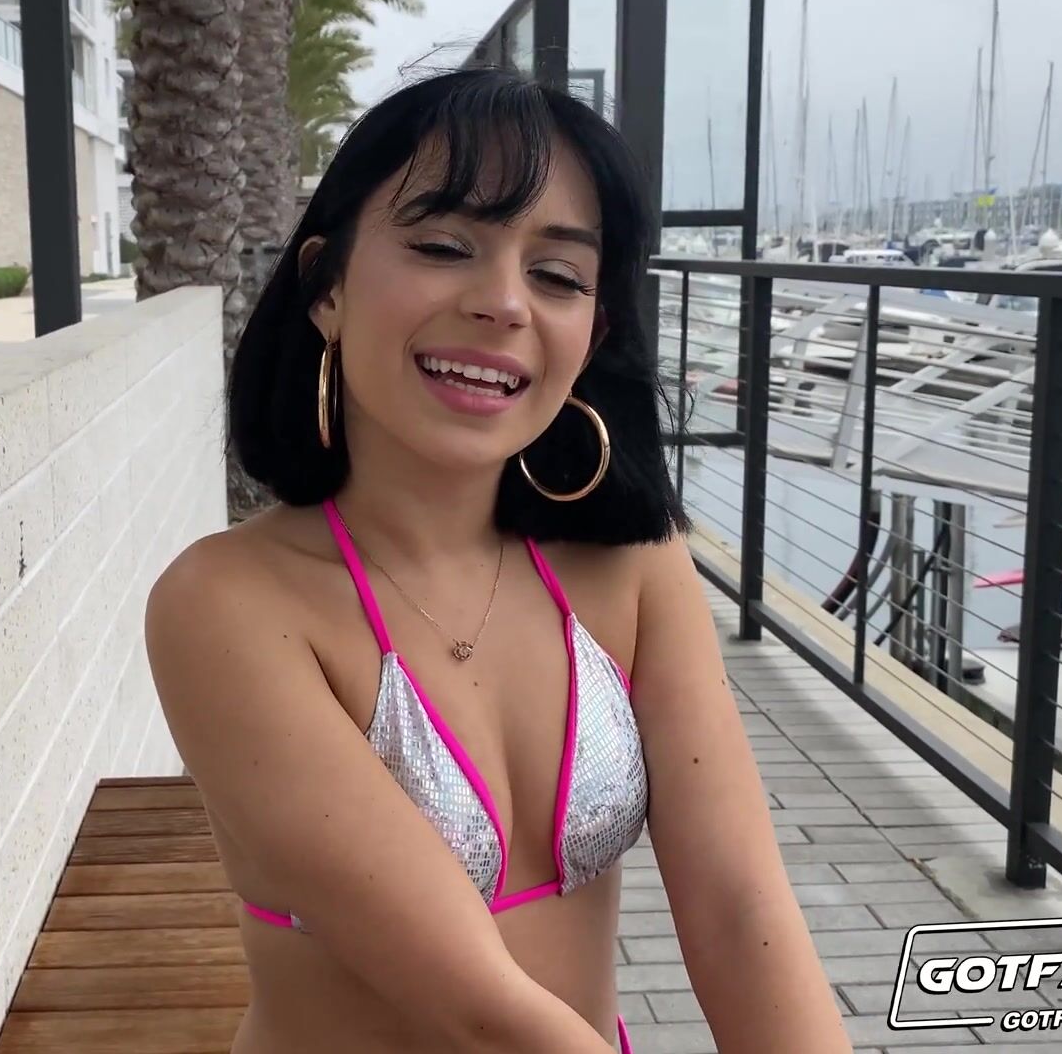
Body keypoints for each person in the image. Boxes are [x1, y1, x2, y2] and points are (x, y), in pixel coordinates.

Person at [145, 67, 850, 1054]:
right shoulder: (228, 602)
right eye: (443, 247)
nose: (505, 303)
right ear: (326, 287)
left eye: (558, 275)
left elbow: (740, 909)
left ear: (593, 332)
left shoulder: (632, 569)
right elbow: (484, 1013)